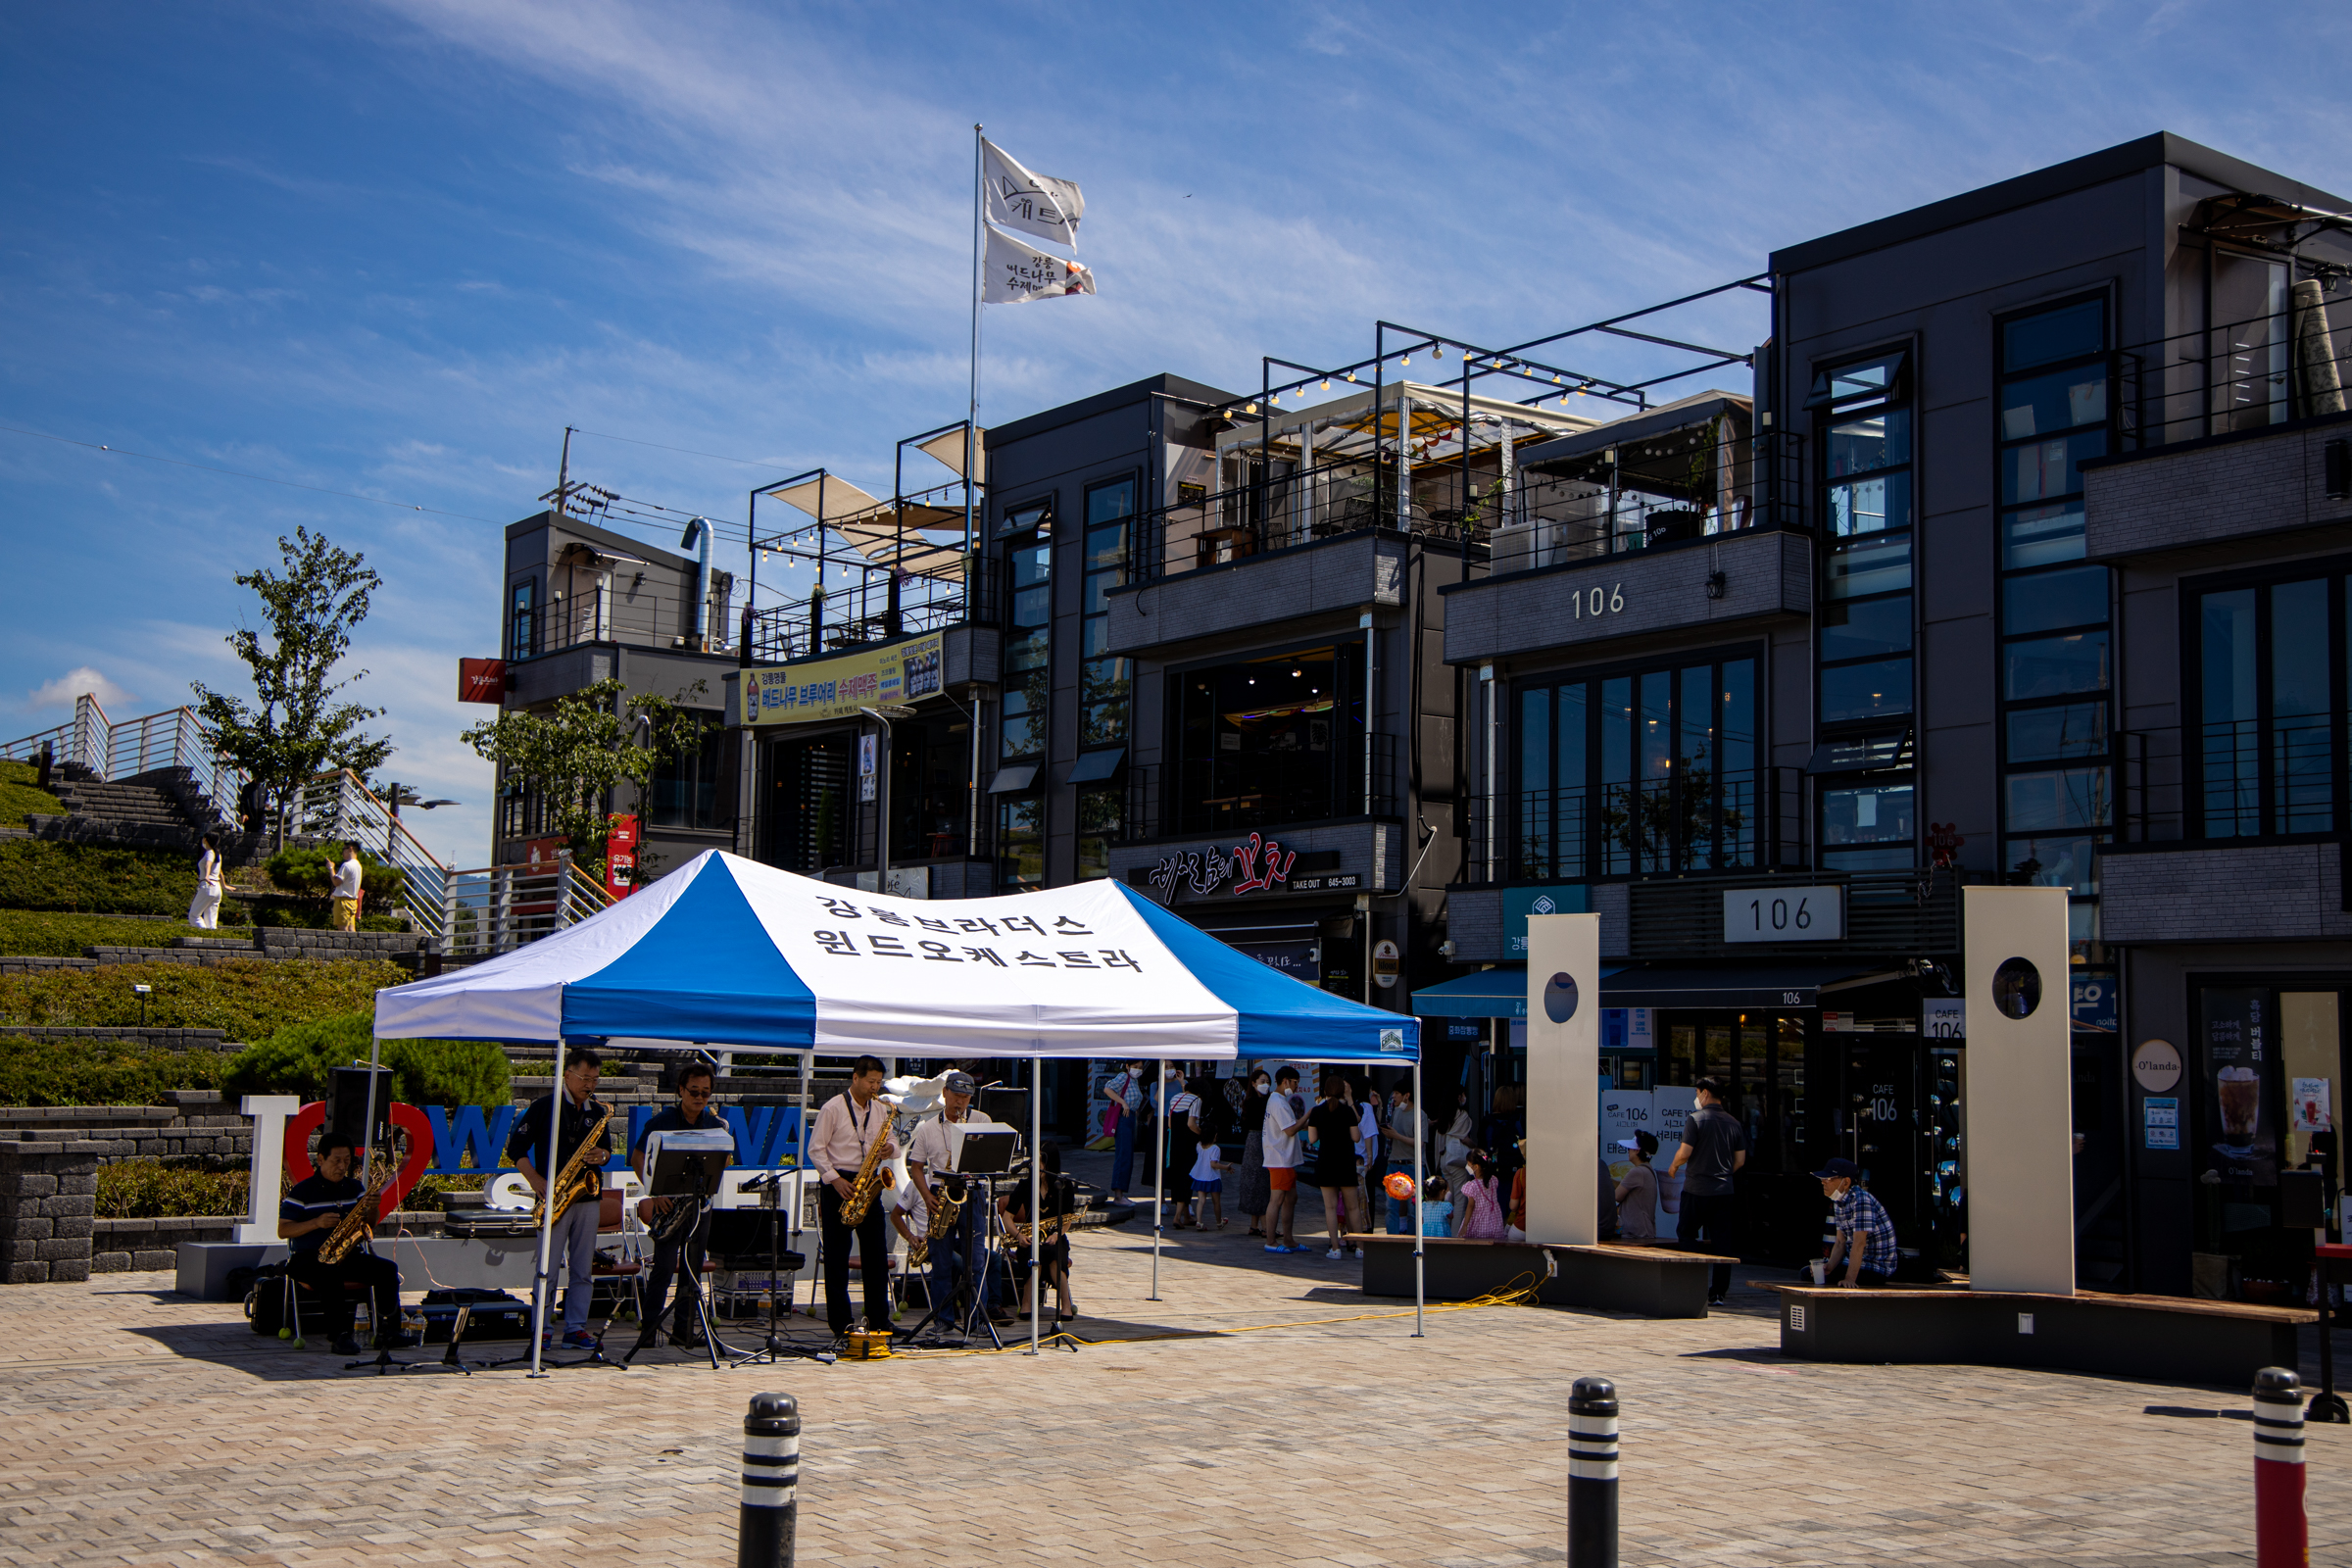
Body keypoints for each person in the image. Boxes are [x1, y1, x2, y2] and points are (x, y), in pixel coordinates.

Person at [627, 1059, 740, 1351]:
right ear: (680, 1090)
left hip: (699, 1207)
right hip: (668, 1206)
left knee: (692, 1271)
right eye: (694, 1091)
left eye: (705, 1093)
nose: (699, 1097)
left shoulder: (715, 1125)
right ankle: (649, 1331)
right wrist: (654, 1192)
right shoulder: (662, 1121)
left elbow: (723, 1163)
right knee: (663, 1269)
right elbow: (637, 1158)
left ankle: (683, 1331)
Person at [507, 1047, 612, 1349]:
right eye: (584, 1078)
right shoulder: (545, 1107)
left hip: (587, 1198)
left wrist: (602, 1155)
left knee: (582, 1269)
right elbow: (516, 1148)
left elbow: (607, 1152)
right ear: (567, 1075)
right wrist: (536, 1180)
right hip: (554, 1198)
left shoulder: (598, 1112)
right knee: (548, 1269)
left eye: (595, 1079)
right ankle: (541, 1327)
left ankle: (575, 1328)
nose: (590, 1085)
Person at [279, 1129, 411, 1356]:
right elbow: (283, 1230)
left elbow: (370, 1223)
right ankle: (340, 1336)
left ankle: (389, 1331)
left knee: (387, 1269)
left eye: (347, 1161)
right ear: (321, 1159)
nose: (342, 1166)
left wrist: (373, 1207)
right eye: (337, 1161)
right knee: (330, 1273)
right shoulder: (302, 1191)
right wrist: (316, 1223)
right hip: (309, 1257)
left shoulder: (354, 1188)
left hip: (347, 1254)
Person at [810, 1054, 898, 1341]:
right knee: (837, 1257)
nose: (875, 1087)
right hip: (840, 1184)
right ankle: (841, 1323)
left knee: (876, 1256)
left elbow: (893, 1140)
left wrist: (890, 1149)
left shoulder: (881, 1109)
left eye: (879, 1082)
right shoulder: (832, 1108)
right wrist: (835, 1180)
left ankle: (879, 1320)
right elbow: (816, 1149)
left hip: (868, 1182)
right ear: (855, 1078)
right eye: (871, 1081)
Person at [906, 1071, 993, 1334]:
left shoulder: (981, 1120)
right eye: (956, 1096)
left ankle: (977, 1319)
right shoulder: (928, 1128)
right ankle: (943, 1319)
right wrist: (926, 1196)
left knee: (976, 1261)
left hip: (972, 1192)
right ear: (945, 1093)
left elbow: (991, 1159)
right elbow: (916, 1167)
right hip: (940, 1193)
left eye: (965, 1097)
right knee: (941, 1262)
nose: (960, 1102)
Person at [1668, 1076, 1748, 1305]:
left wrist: (1674, 1166)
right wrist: (1722, 1174)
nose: (1696, 1097)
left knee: (1687, 1233)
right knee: (1722, 1242)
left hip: (1696, 1188)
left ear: (1704, 1093)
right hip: (1723, 1191)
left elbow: (1684, 1153)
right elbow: (1740, 1160)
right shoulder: (1734, 1123)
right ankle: (1718, 1292)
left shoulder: (1696, 1119)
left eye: (1697, 1093)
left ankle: (1693, 1284)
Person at [1815, 1157, 1897, 1288]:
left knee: (1839, 1281)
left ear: (1846, 1182)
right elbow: (1840, 1242)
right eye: (1822, 1179)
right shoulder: (1839, 1201)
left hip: (1875, 1267)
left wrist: (1850, 1279)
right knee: (1810, 1273)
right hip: (1853, 1262)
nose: (1823, 1183)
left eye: (1828, 1179)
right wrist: (1829, 1267)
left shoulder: (1861, 1201)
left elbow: (1859, 1243)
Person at [1306, 1074, 1360, 1258]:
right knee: (1353, 1207)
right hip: (1346, 1162)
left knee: (1330, 1208)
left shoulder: (1317, 1111)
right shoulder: (1348, 1112)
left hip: (1326, 1162)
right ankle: (1360, 1247)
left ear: (1325, 1091)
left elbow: (1312, 1139)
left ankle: (1335, 1248)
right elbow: (1356, 1137)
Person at [1261, 1067, 1310, 1254]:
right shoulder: (1278, 1102)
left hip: (1285, 1159)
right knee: (1277, 1200)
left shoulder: (1278, 1101)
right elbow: (1290, 1130)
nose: (1297, 1087)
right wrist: (1309, 1115)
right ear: (1286, 1081)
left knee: (1290, 1198)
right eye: (1295, 1082)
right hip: (1280, 1159)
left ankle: (1288, 1239)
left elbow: (1292, 1126)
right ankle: (1271, 1241)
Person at [1382, 1085, 1428, 1234]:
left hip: (1412, 1165)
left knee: (1413, 1209)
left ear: (1407, 1095)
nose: (1393, 1096)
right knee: (1391, 1207)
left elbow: (1420, 1143)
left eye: (1397, 1093)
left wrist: (1396, 1135)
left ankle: (1413, 1242)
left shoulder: (1420, 1115)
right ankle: (1392, 1241)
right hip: (1394, 1163)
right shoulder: (1396, 1112)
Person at [1163, 1068, 1201, 1228]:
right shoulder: (1196, 1100)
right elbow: (1191, 1124)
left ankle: (1186, 1216)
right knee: (1186, 1179)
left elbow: (1170, 1124)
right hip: (1188, 1144)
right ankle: (1177, 1217)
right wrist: (1202, 1133)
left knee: (1178, 1178)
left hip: (1174, 1143)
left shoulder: (1175, 1098)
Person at [1237, 1068, 1273, 1237]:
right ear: (1253, 1083)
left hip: (1254, 1141)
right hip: (1259, 1141)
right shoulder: (1257, 1102)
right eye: (1262, 1081)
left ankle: (1254, 1225)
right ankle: (1265, 1227)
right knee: (1260, 1182)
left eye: (1268, 1082)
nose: (1266, 1085)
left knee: (1256, 1181)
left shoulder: (1250, 1101)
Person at [1104, 1060, 1147, 1199]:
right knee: (1123, 1155)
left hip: (1130, 1118)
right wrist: (1123, 1103)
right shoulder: (1124, 1076)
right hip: (1124, 1117)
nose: (1138, 1070)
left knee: (1127, 1156)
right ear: (1128, 1066)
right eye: (1135, 1067)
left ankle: (1121, 1193)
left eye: (1140, 1068)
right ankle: (1118, 1194)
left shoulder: (1134, 1081)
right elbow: (1107, 1089)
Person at [1614, 1131, 1659, 1240]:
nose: (1628, 1151)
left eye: (1630, 1148)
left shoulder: (1637, 1172)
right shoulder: (1648, 1171)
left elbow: (1616, 1196)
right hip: (1644, 1232)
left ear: (1637, 1150)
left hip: (1636, 1235)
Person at [1454, 1151, 1506, 1240]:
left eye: (1468, 1164)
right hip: (1494, 1220)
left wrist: (1465, 1225)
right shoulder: (1493, 1180)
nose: (1467, 1166)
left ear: (1476, 1167)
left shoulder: (1472, 1186)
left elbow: (1470, 1206)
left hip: (1479, 1221)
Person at [186, 831, 223, 931]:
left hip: (208, 885)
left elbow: (208, 864)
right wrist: (224, 885)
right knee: (211, 921)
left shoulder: (210, 852)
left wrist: (206, 875)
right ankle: (211, 936)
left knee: (194, 916)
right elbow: (220, 871)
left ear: (206, 839)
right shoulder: (218, 853)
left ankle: (204, 933)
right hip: (217, 888)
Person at [329, 840, 365, 933]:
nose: (342, 853)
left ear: (350, 849)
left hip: (343, 901)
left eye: (344, 849)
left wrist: (331, 868)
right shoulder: (358, 865)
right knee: (351, 929)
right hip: (353, 901)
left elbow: (336, 882)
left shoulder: (347, 865)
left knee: (343, 930)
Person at [1419, 1173, 1453, 1237]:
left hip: (1426, 1235)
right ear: (1442, 1192)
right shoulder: (1445, 1206)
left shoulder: (1424, 1205)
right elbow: (1451, 1216)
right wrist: (1446, 1200)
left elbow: (1421, 1220)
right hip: (1441, 1236)